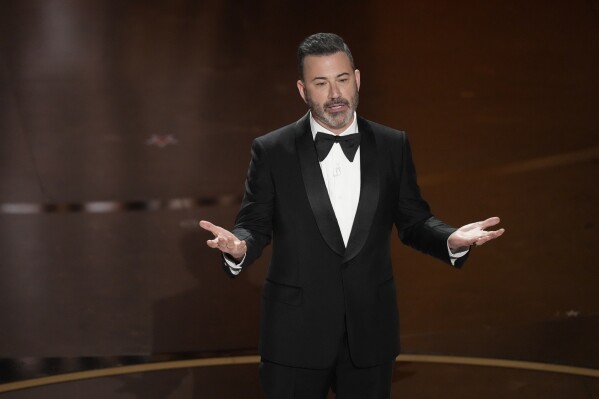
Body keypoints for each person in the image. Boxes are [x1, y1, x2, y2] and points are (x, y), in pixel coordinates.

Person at [200, 33, 504, 399]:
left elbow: (413, 220)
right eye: (321, 83)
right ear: (302, 89)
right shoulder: (272, 150)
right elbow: (254, 224)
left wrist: (449, 239)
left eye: (342, 79)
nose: (335, 94)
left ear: (357, 79)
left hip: (370, 333)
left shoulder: (394, 145)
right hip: (294, 335)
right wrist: (239, 248)